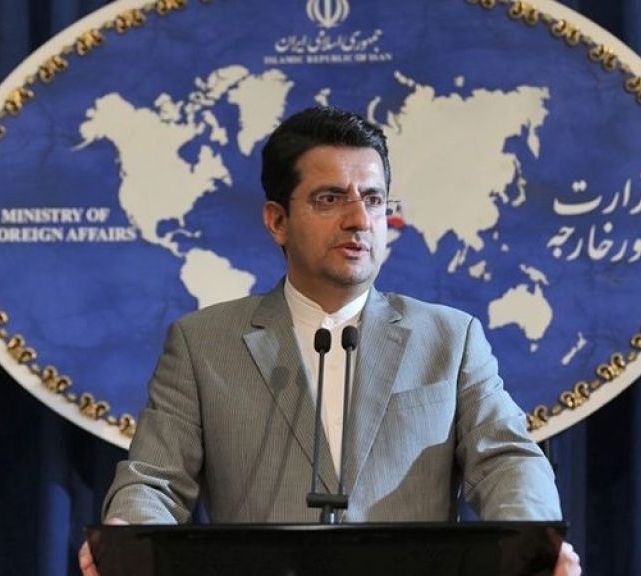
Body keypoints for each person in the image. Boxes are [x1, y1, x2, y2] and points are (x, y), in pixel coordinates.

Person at [80, 107, 580, 574]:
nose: (359, 220)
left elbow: (506, 460)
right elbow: (155, 481)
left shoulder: (450, 338)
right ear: (277, 221)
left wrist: (532, 542)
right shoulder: (203, 344)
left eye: (374, 199)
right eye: (330, 199)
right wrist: (130, 536)